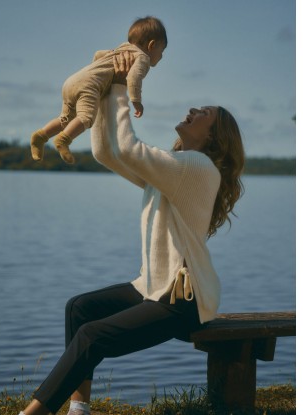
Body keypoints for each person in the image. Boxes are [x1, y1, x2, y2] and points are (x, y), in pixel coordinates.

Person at [19, 52, 245, 415]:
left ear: (214, 135)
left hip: (181, 301)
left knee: (92, 336)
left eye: (204, 113)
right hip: (152, 289)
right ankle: (79, 410)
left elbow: (126, 147)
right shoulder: (175, 169)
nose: (193, 109)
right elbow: (107, 152)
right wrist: (109, 86)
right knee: (80, 309)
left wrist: (122, 86)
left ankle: (33, 413)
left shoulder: (198, 168)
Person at [30, 16, 167, 165]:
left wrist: (96, 71)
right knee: (86, 118)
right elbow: (133, 78)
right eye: (162, 50)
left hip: (73, 80)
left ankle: (40, 136)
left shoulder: (120, 49)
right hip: (90, 85)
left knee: (66, 118)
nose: (162, 56)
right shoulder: (142, 58)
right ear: (152, 45)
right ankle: (63, 140)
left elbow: (97, 54)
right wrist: (136, 101)